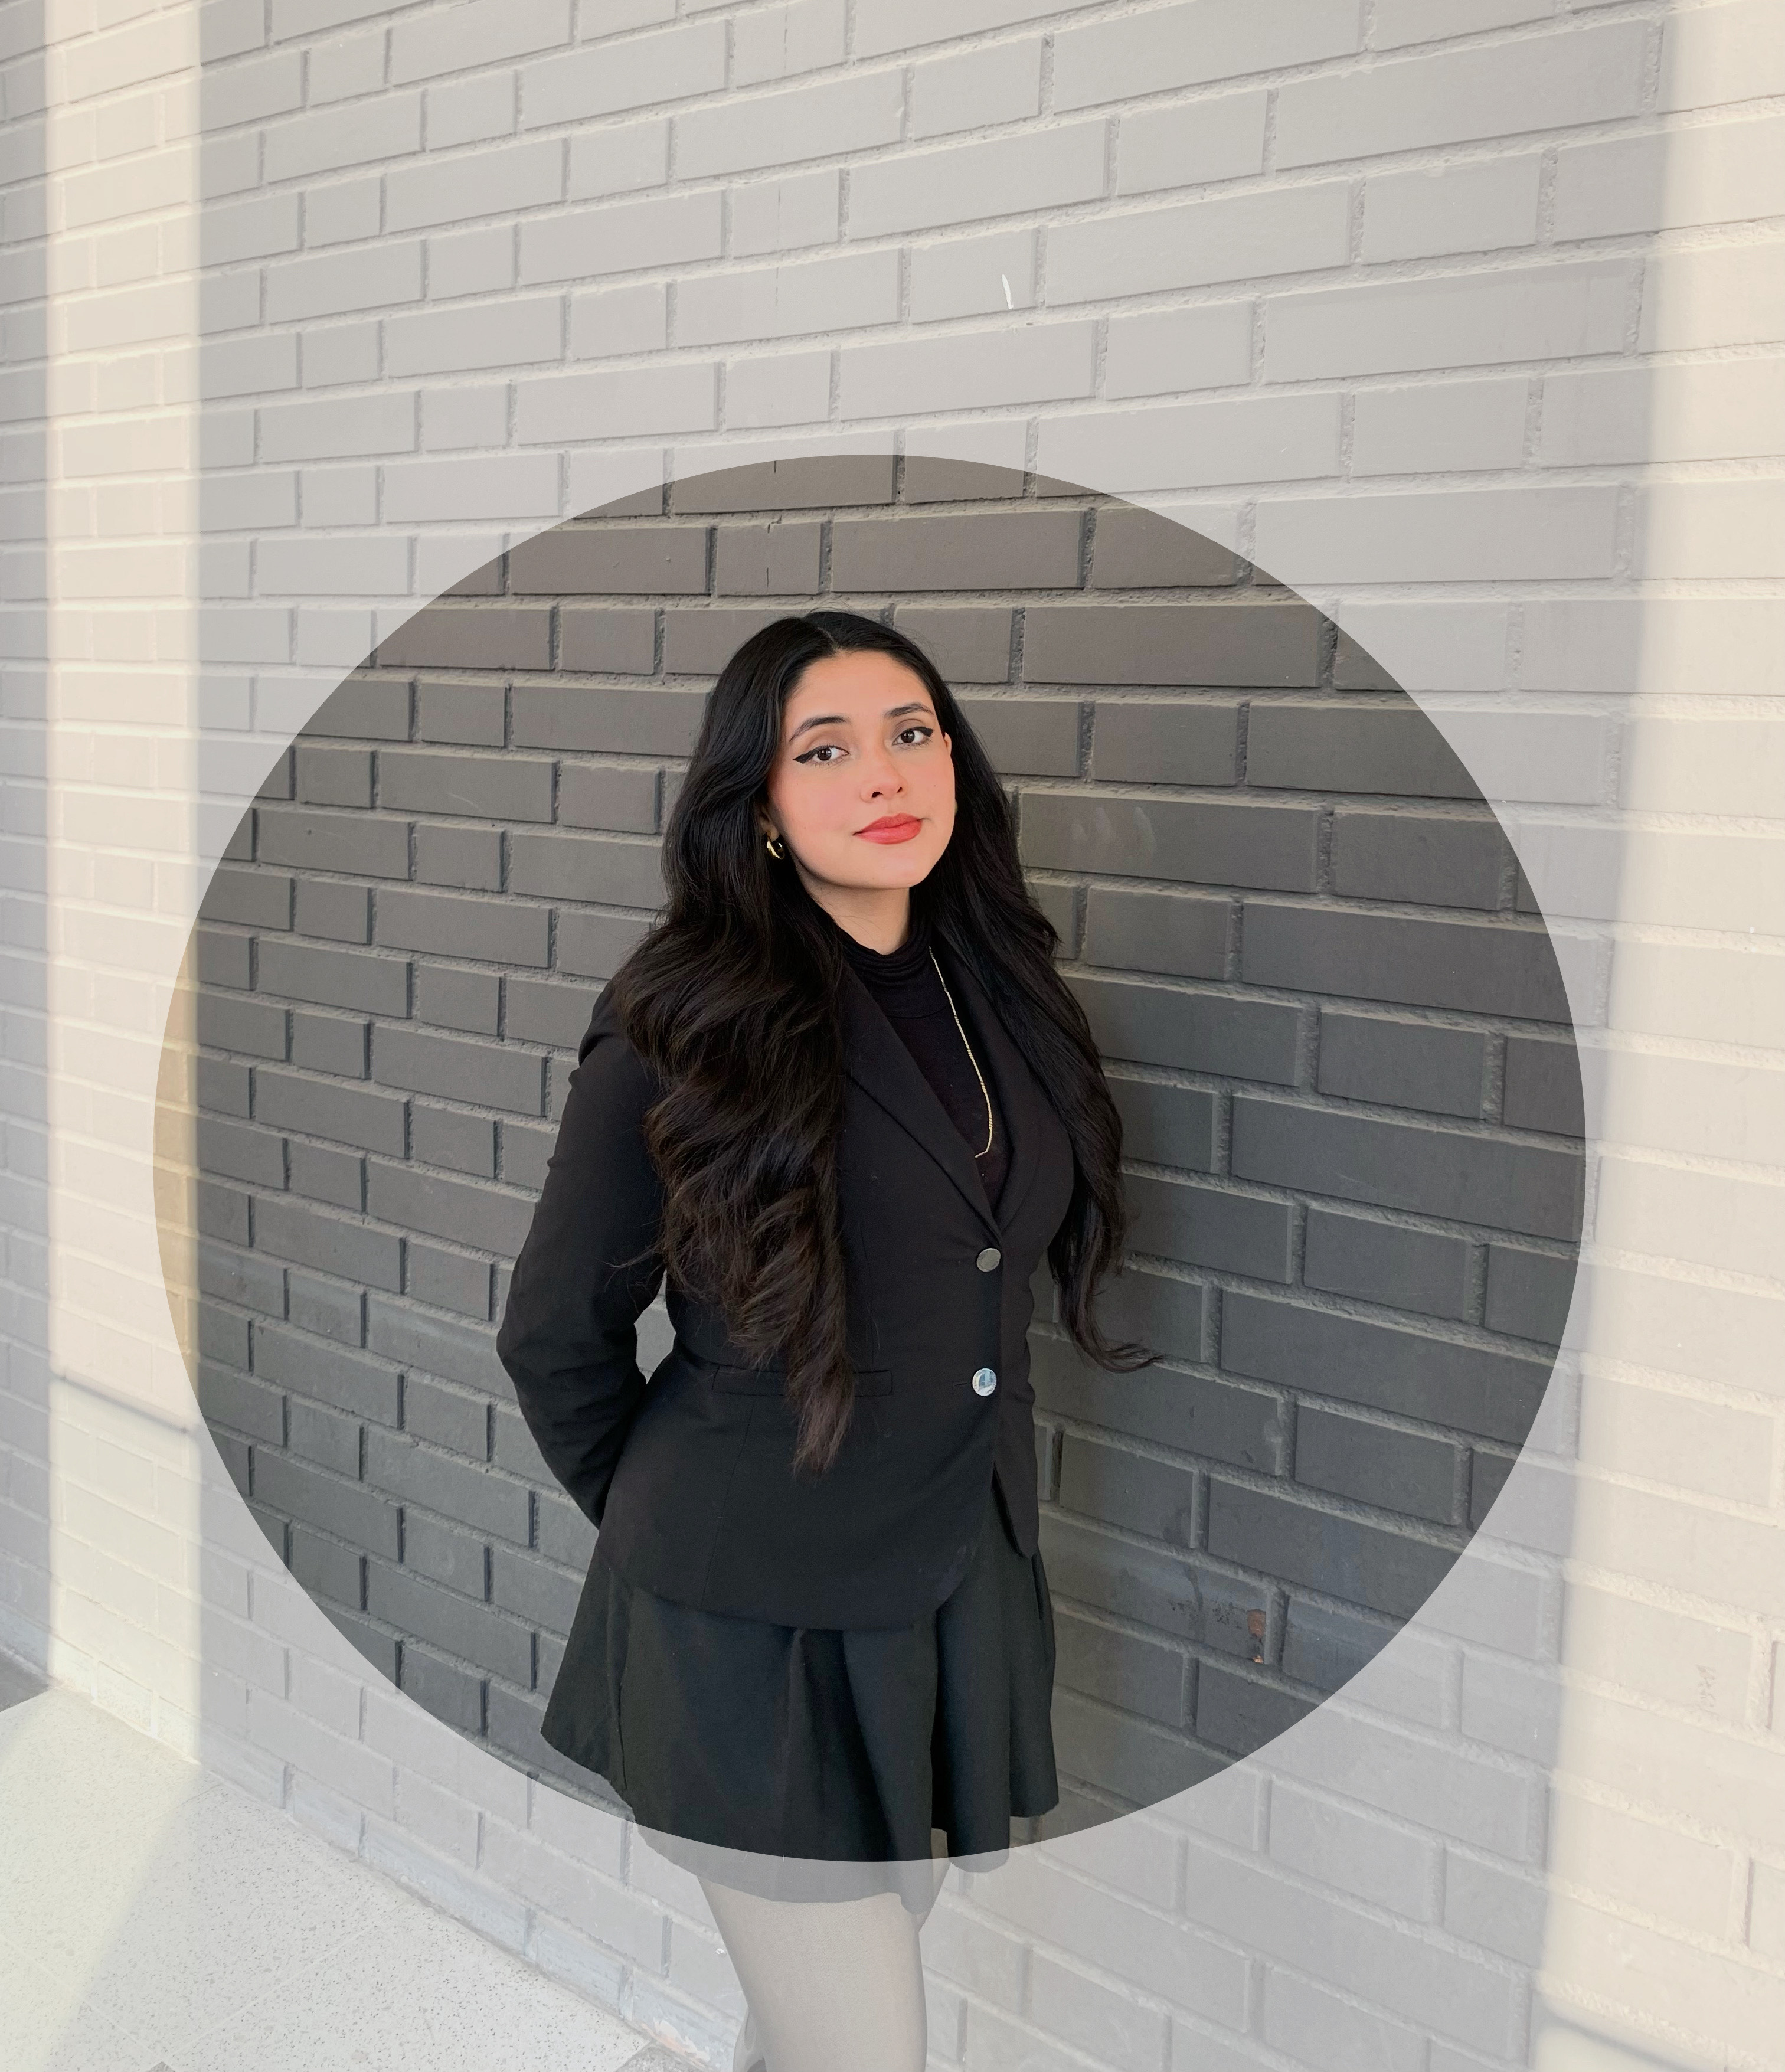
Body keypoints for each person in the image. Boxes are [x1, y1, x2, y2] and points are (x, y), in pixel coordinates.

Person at [496, 610, 1152, 2072]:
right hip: (752, 1615)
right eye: (826, 749)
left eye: (913, 733)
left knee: (823, 2013)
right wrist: (682, 1534)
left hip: (949, 1580)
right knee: (866, 2046)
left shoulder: (1004, 995)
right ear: (760, 805)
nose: (884, 773)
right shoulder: (680, 1023)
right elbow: (553, 1335)